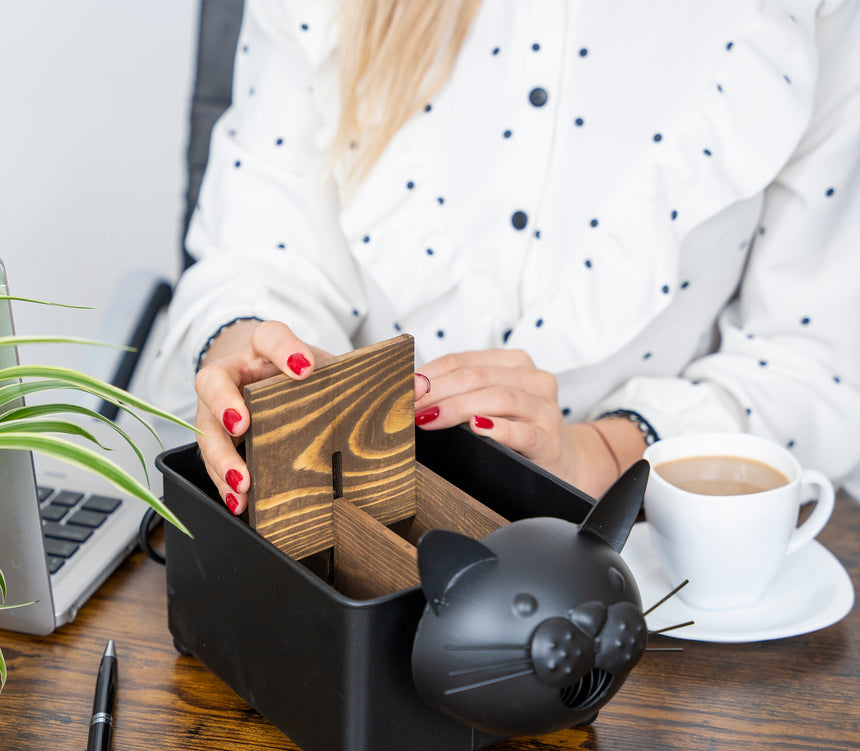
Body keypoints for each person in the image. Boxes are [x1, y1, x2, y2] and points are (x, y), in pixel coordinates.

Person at [150, 0, 860, 517]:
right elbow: (261, 248)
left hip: (646, 572)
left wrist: (604, 457)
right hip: (343, 554)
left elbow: (813, 360)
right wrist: (256, 353)